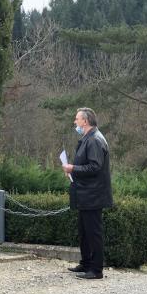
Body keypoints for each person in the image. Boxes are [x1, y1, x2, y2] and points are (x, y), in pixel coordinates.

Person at [62, 107, 113, 280]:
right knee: (84, 232)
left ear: (85, 121)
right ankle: (86, 263)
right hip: (85, 194)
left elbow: (94, 166)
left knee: (93, 232)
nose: (75, 122)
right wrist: (73, 171)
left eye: (77, 119)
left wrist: (73, 168)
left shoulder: (95, 140)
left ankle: (96, 269)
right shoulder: (87, 139)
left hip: (93, 195)